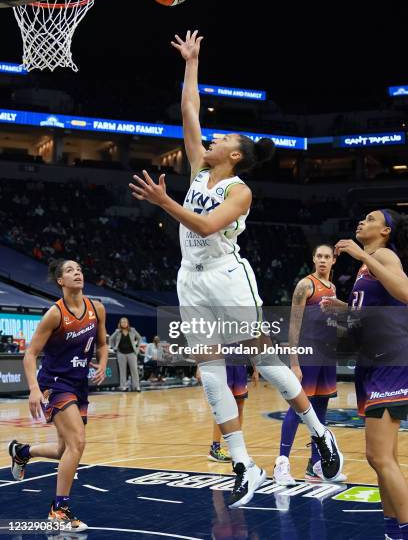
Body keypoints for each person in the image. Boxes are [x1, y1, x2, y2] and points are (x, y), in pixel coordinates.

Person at [129, 30, 344, 508]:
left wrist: (165, 202)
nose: (211, 138)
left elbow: (206, 227)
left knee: (264, 363)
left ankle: (320, 432)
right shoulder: (199, 170)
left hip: (227, 275)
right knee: (209, 372)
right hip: (191, 277)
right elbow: (189, 110)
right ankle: (243, 462)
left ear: (235, 156)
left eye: (221, 138)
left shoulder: (239, 190)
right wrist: (191, 62)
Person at [322, 209, 408, 540]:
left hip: (391, 362)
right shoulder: (366, 264)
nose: (361, 222)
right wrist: (344, 309)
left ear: (385, 231)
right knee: (384, 459)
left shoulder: (383, 255)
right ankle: (392, 531)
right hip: (373, 362)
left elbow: (404, 292)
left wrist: (362, 256)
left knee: (378, 456)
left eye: (370, 219)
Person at [8, 259, 108, 531]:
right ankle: (58, 510)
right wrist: (33, 388)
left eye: (79, 269)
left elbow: (103, 343)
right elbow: (30, 354)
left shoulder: (96, 308)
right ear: (61, 281)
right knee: (77, 442)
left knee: (65, 449)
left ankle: (22, 451)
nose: (77, 272)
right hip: (55, 382)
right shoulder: (55, 314)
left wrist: (104, 361)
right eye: (70, 270)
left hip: (79, 384)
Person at [274, 244, 346, 485]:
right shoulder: (306, 285)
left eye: (327, 257)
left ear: (333, 261)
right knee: (298, 407)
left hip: (326, 355)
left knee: (321, 408)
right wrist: (294, 362)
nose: (323, 260)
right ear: (313, 259)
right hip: (307, 355)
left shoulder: (332, 287)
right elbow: (294, 326)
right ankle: (282, 462)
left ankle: (316, 464)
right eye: (319, 256)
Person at [110, 317, 142, 392]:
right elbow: (111, 339)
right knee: (122, 370)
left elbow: (139, 338)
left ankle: (136, 386)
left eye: (125, 322)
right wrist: (114, 347)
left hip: (132, 353)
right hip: (121, 353)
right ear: (120, 323)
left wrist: (137, 348)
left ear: (127, 323)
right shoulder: (117, 331)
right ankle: (123, 386)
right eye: (122, 322)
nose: (124, 323)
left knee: (134, 370)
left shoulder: (132, 330)